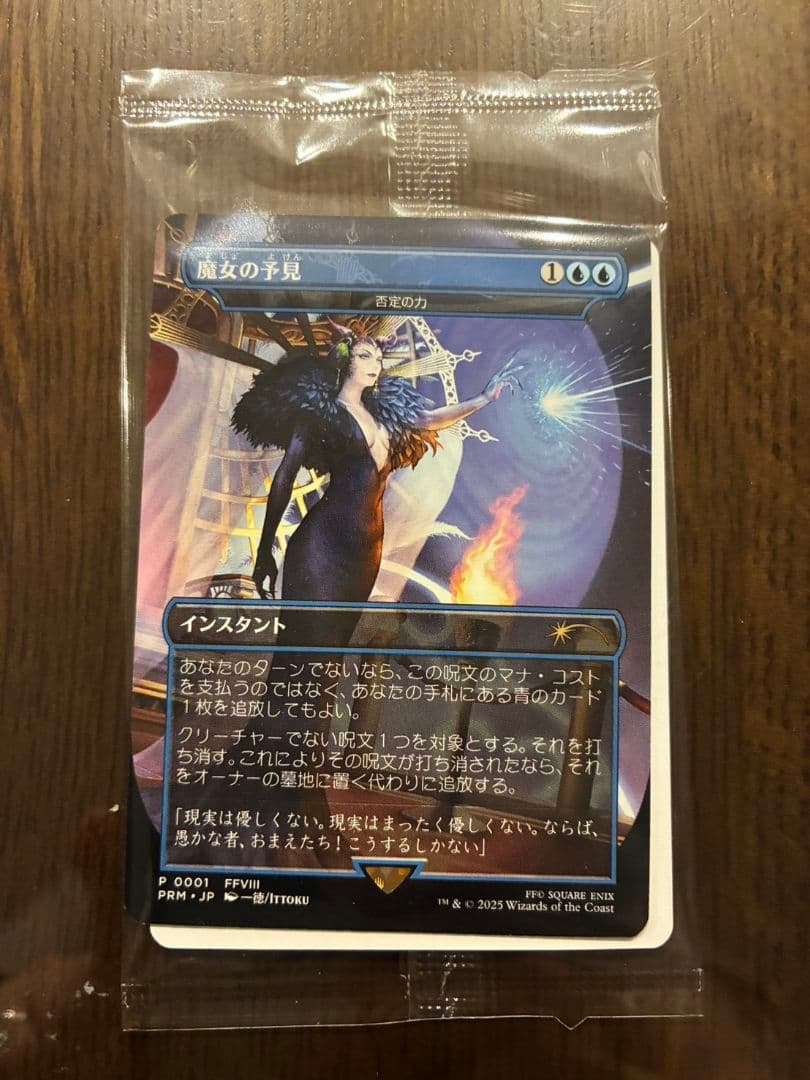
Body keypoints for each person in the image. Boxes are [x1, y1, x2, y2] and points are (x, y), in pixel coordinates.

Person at [232, 318, 521, 648]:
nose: (375, 365)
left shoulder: (385, 416)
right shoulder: (320, 412)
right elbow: (285, 477)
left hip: (365, 552)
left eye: (379, 359)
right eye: (365, 356)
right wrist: (264, 552)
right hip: (323, 544)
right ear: (345, 360)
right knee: (302, 649)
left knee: (332, 654)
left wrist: (484, 398)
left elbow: (429, 420)